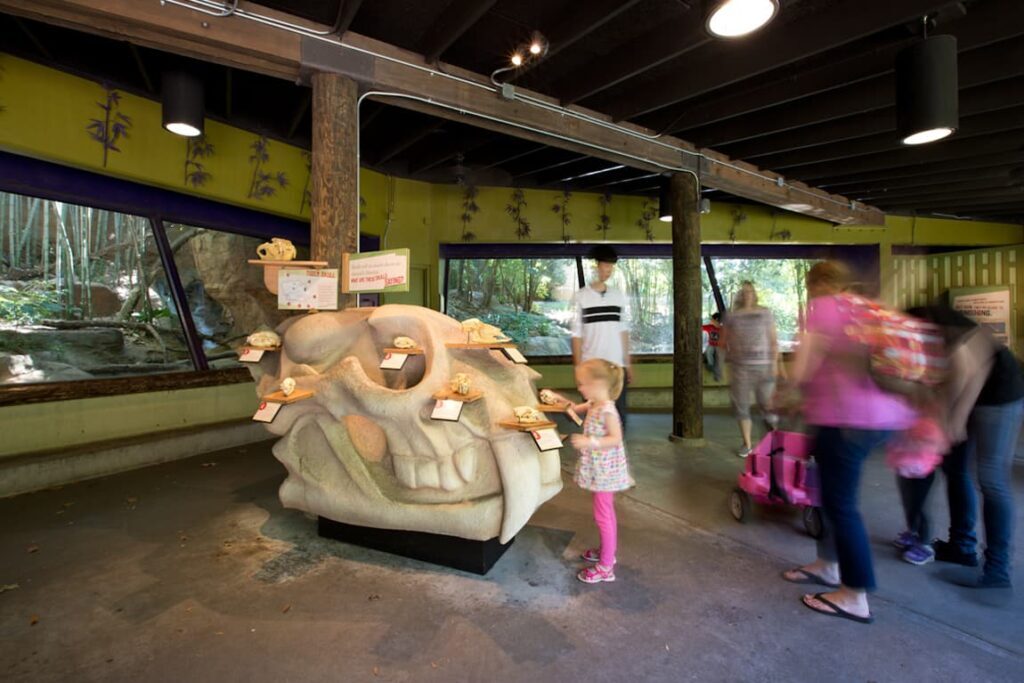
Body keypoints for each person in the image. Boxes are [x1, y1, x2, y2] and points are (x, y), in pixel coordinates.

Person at [781, 261, 917, 624]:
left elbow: (802, 370)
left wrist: (787, 385)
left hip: (846, 421)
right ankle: (827, 564)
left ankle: (854, 594)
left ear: (816, 285)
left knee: (842, 505)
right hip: (884, 417)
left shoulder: (824, 309)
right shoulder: (863, 308)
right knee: (827, 494)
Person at [908, 302, 1024, 588]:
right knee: (956, 468)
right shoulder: (941, 331)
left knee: (991, 478)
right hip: (977, 397)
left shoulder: (951, 332)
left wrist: (955, 418)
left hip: (1000, 397)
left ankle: (997, 569)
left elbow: (969, 374)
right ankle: (962, 546)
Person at [554, 359, 633, 584]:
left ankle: (606, 566)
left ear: (599, 383)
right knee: (604, 513)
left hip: (605, 471)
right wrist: (560, 401)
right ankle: (606, 552)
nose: (580, 388)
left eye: (583, 384)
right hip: (599, 469)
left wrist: (590, 441)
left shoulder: (607, 410)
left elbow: (616, 438)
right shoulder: (594, 403)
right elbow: (572, 409)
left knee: (603, 516)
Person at [572, 245, 633, 430]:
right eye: (605, 266)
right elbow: (576, 335)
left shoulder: (618, 295)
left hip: (615, 366)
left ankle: (615, 458)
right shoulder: (581, 297)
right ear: (595, 266)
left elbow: (623, 331)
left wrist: (628, 364)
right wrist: (577, 367)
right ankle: (594, 455)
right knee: (593, 419)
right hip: (591, 366)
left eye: (611, 267)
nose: (608, 270)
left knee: (619, 419)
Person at [722, 281, 779, 457]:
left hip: (764, 366)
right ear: (739, 295)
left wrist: (775, 365)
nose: (746, 294)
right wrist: (725, 367)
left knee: (768, 407)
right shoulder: (731, 316)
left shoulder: (765, 313)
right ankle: (747, 444)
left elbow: (773, 340)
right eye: (743, 291)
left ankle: (773, 441)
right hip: (740, 369)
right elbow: (724, 342)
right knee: (741, 407)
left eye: (750, 291)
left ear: (755, 294)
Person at [702, 312, 724, 382]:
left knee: (719, 358)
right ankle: (710, 365)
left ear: (716, 320)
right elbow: (701, 327)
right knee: (709, 351)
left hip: (719, 346)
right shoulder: (710, 327)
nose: (711, 321)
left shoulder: (722, 329)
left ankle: (718, 375)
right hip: (711, 345)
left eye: (712, 320)